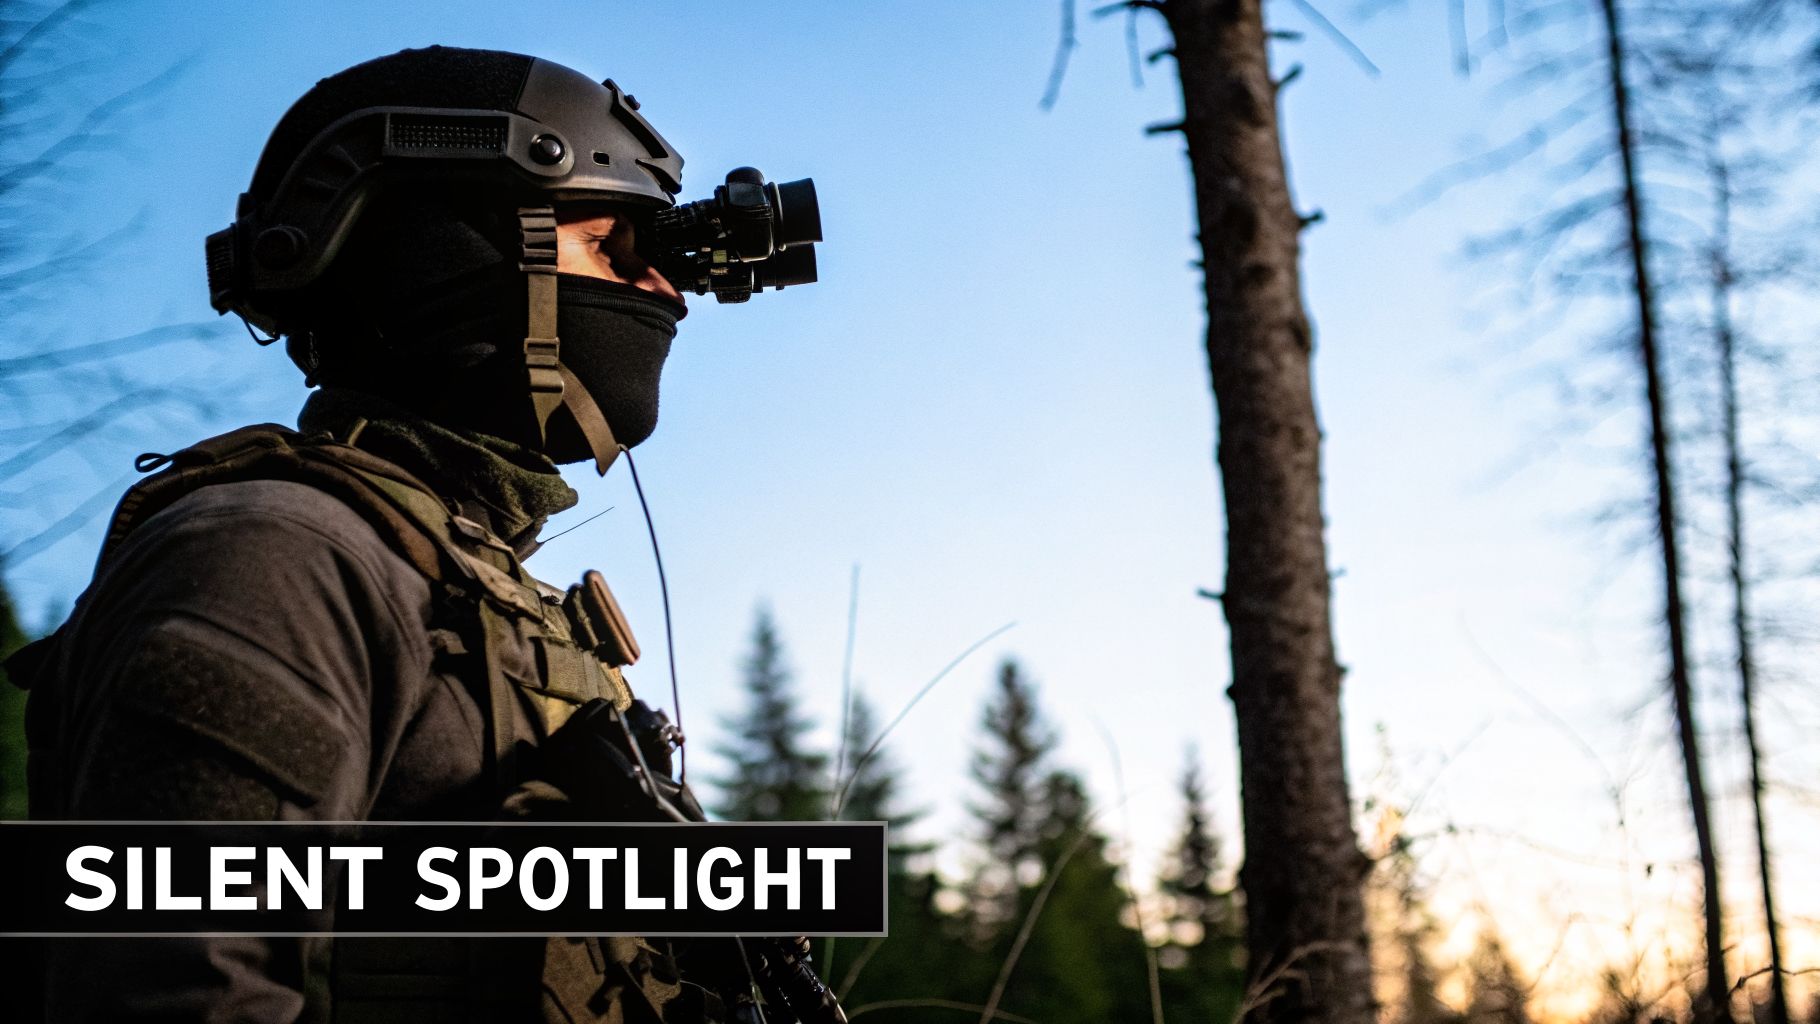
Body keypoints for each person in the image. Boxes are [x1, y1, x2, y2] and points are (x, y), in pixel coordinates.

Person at [8, 45, 821, 1023]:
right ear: (447, 253)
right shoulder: (277, 559)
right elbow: (175, 993)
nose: (667, 295)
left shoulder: (459, 587)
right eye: (614, 249)